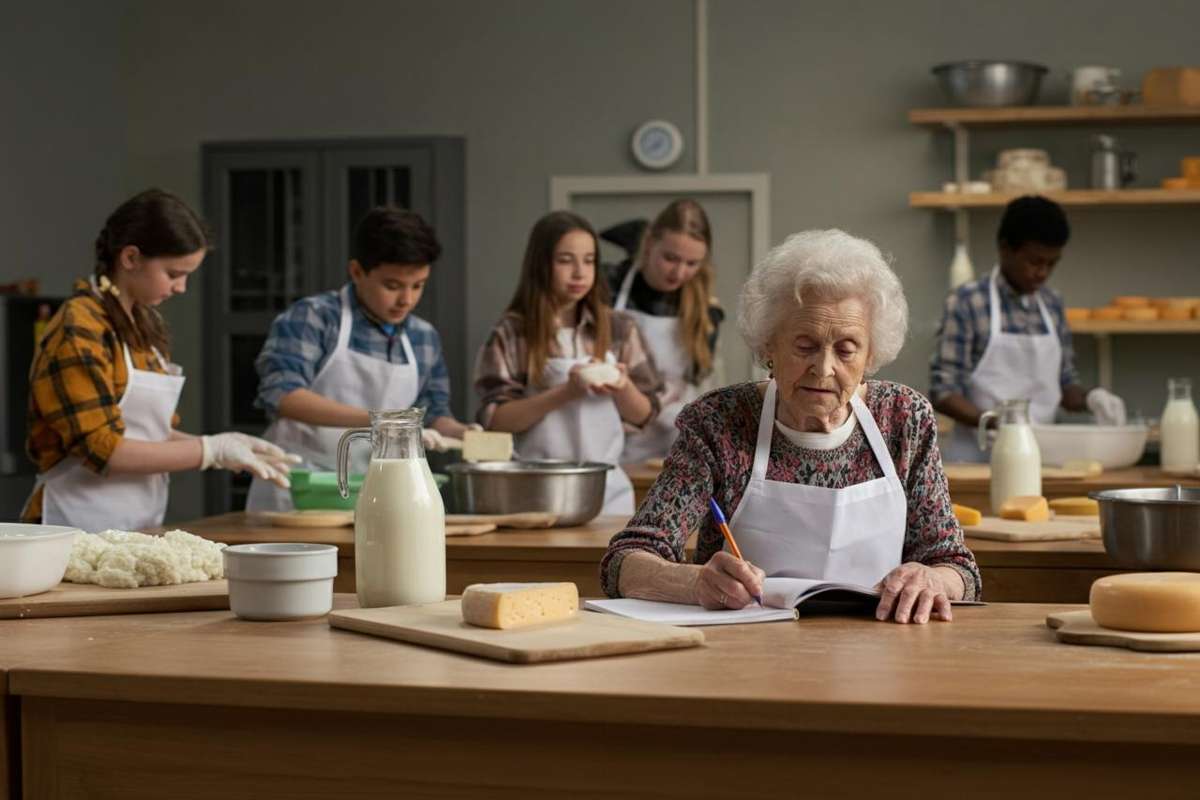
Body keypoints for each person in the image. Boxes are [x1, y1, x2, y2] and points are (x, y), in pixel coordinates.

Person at [602, 230, 981, 624]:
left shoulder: (904, 419)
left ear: (871, 355)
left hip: (881, 655)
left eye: (847, 349)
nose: (824, 367)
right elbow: (625, 561)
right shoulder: (718, 422)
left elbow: (958, 568)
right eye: (805, 345)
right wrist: (692, 582)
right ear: (769, 345)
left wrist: (933, 579)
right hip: (747, 654)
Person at [23, 189, 296, 532]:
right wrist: (209, 451)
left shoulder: (141, 324)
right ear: (131, 258)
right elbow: (102, 449)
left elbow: (150, 433)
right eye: (173, 273)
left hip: (135, 523)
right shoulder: (79, 328)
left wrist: (229, 446)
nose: (181, 287)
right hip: (73, 524)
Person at [247, 206, 474, 511]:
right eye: (392, 286)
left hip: (377, 490)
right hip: (299, 487)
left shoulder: (424, 337)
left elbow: (432, 415)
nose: (406, 299)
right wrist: (381, 421)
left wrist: (463, 434)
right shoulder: (314, 318)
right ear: (356, 272)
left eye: (417, 285)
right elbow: (283, 395)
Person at [474, 211, 664, 515]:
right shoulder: (513, 332)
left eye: (588, 260)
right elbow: (497, 421)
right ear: (540, 264)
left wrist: (622, 386)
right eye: (565, 260)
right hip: (535, 491)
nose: (579, 273)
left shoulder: (618, 328)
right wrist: (567, 392)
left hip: (607, 491)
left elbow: (645, 415)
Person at [931, 195, 1127, 462]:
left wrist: (1091, 398)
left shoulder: (1052, 304)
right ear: (1005, 249)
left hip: (1044, 458)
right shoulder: (968, 302)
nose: (1042, 273)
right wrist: (990, 423)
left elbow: (1064, 385)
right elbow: (943, 391)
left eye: (1052, 263)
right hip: (979, 458)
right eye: (1035, 262)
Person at [605, 199, 724, 462]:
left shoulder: (706, 314)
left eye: (692, 263)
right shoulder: (608, 288)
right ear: (649, 244)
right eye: (670, 258)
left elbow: (700, 384)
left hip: (671, 442)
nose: (679, 272)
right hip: (609, 434)